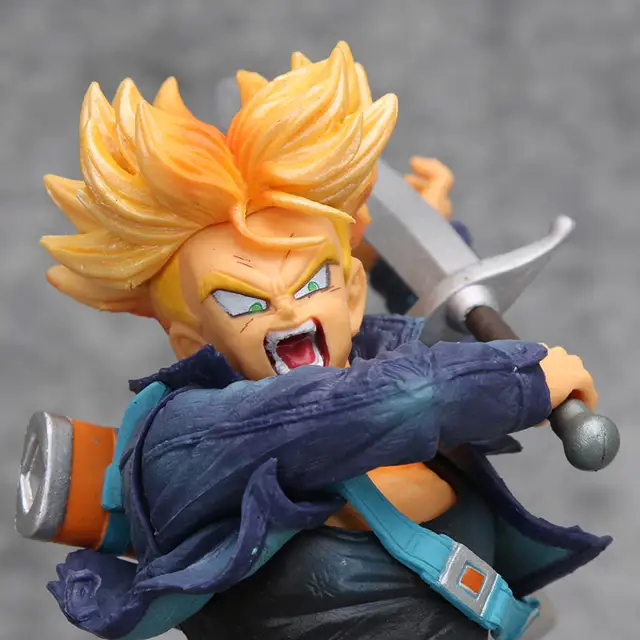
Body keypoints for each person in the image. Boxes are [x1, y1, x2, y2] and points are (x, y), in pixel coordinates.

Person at [39, 42, 609, 640]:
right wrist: (520, 382)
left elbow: (411, 351)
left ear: (353, 294)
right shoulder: (187, 437)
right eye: (244, 301)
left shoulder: (374, 360)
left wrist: (414, 255)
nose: (288, 309)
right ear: (190, 340)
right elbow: (349, 409)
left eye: (312, 282)